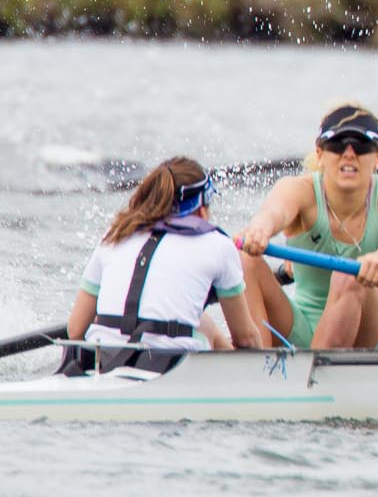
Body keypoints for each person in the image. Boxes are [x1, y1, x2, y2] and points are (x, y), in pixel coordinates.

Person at [237, 105, 378, 350]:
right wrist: (258, 231)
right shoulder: (297, 189)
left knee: (349, 273)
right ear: (320, 153)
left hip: (372, 335)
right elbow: (272, 214)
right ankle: (256, 370)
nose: (348, 153)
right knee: (245, 259)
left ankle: (311, 379)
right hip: (304, 328)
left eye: (360, 145)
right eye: (337, 144)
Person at [62, 158, 260, 374]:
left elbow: (75, 330)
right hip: (169, 368)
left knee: (204, 323)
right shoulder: (218, 245)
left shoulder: (115, 235)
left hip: (103, 361)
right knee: (208, 330)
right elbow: (246, 338)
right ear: (202, 209)